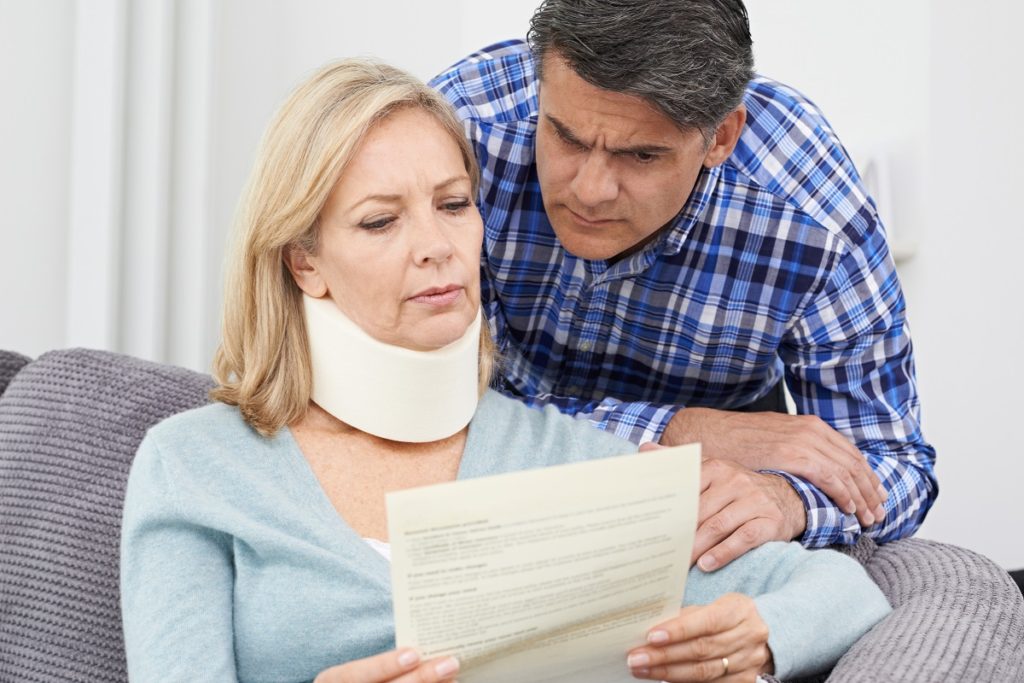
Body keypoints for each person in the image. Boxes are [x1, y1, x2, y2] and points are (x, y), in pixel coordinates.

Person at [119, 59, 890, 683]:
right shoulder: (195, 466)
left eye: (454, 204)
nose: (437, 245)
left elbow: (841, 593)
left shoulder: (571, 459)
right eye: (381, 220)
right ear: (305, 262)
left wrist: (759, 636)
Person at [429, 0, 938, 571]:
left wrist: (787, 500)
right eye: (566, 138)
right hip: (484, 443)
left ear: (721, 137)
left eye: (641, 154)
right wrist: (680, 431)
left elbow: (895, 464)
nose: (590, 191)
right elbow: (415, 409)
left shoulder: (813, 215)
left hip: (706, 494)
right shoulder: (457, 133)